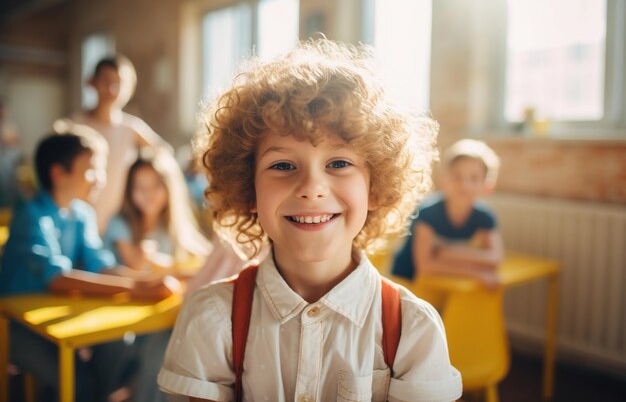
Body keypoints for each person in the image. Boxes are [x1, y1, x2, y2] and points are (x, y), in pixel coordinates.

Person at [158, 39, 462, 402]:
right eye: (283, 165)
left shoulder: (413, 327)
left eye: (339, 163)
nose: (312, 188)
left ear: (375, 188)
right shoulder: (211, 318)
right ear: (249, 190)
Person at [0, 128, 179, 402]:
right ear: (59, 174)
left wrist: (143, 282)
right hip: (15, 327)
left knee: (118, 349)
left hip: (56, 320)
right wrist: (137, 289)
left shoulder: (81, 213)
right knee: (79, 383)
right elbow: (58, 279)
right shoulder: (32, 216)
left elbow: (100, 264)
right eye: (92, 170)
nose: (101, 179)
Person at [58, 54, 170, 234]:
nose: (112, 89)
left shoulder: (132, 128)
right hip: (73, 223)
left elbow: (164, 152)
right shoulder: (74, 126)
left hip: (115, 227)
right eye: (106, 81)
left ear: (130, 88)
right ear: (91, 82)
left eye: (119, 83)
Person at [391, 138, 504, 288]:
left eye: (474, 178)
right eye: (457, 177)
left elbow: (495, 258)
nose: (465, 185)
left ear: (487, 185)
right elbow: (425, 266)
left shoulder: (484, 217)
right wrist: (475, 272)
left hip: (444, 283)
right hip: (408, 282)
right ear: (445, 179)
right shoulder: (427, 213)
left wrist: (448, 252)